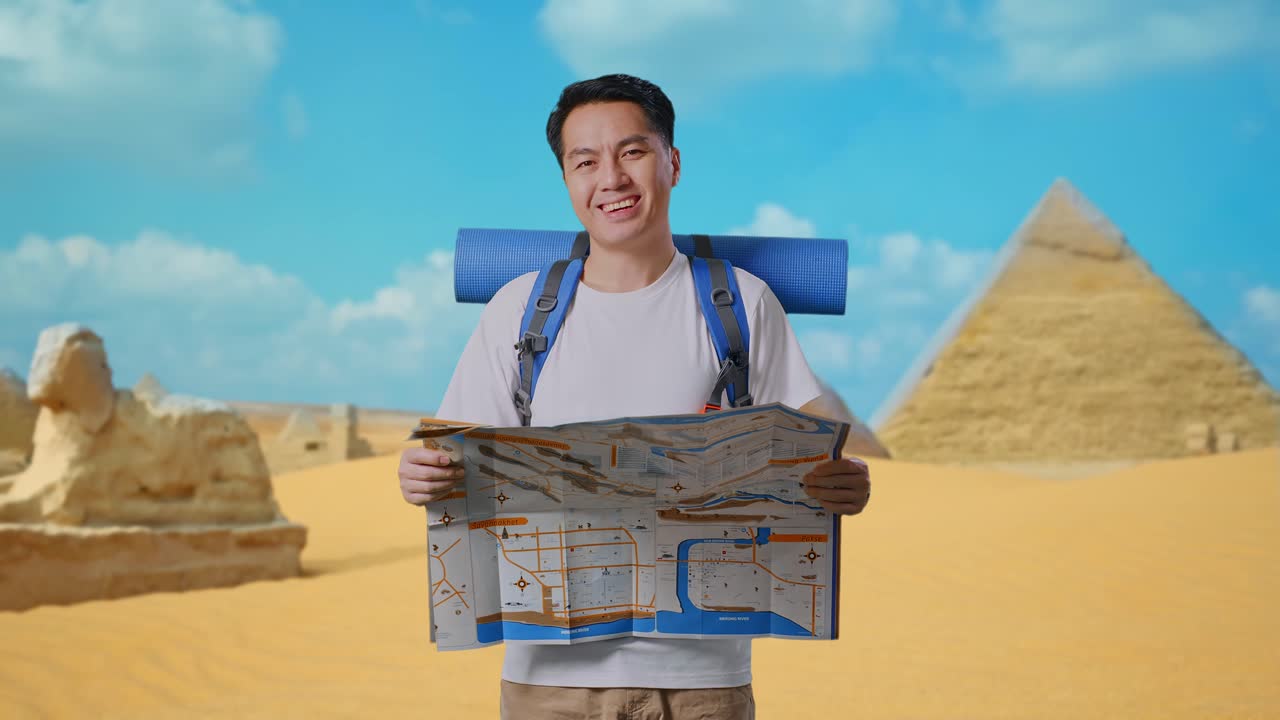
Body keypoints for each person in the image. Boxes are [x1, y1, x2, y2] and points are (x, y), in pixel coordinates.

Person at [399, 73, 871, 720]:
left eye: (633, 151)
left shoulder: (741, 303)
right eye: (585, 161)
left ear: (671, 163)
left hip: (702, 679)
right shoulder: (518, 311)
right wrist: (420, 474)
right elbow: (451, 457)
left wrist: (843, 486)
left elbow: (818, 456)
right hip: (548, 679)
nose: (611, 178)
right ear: (567, 181)